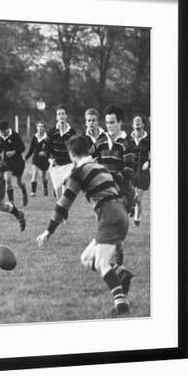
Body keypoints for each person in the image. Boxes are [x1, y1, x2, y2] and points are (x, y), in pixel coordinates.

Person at [36, 135, 134, 316]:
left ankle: (121, 304)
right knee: (87, 259)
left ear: (72, 155)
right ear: (88, 150)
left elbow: (63, 204)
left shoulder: (79, 171)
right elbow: (118, 192)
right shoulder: (99, 167)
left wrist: (48, 231)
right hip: (120, 212)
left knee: (103, 263)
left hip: (109, 215)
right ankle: (120, 273)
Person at [92, 105, 135, 268]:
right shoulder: (100, 141)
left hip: (122, 192)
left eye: (113, 122)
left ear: (120, 123)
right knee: (103, 225)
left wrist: (110, 178)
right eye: (108, 122)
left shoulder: (126, 144)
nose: (109, 126)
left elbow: (129, 170)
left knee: (114, 225)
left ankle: (117, 261)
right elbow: (91, 158)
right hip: (103, 193)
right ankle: (114, 251)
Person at [47, 104, 76, 199]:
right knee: (58, 194)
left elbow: (74, 148)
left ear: (66, 116)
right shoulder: (51, 132)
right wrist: (50, 160)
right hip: (56, 165)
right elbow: (46, 148)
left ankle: (63, 210)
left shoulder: (72, 132)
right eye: (59, 114)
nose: (61, 116)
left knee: (66, 182)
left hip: (68, 164)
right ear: (56, 117)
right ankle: (60, 207)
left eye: (63, 113)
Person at [0, 120, 28, 207]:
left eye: (4, 131)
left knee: (19, 182)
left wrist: (13, 152)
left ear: (8, 129)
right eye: (1, 132)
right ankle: (11, 202)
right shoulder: (0, 136)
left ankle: (24, 193)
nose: (3, 133)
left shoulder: (15, 135)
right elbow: (2, 145)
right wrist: (0, 151)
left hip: (18, 162)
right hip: (8, 162)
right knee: (8, 179)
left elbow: (23, 148)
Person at [130, 113, 150, 226]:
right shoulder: (129, 139)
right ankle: (135, 217)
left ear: (143, 124)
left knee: (139, 197)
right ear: (133, 125)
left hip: (143, 172)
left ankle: (137, 219)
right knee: (133, 195)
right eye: (135, 121)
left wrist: (149, 162)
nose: (137, 122)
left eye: (139, 120)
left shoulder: (149, 139)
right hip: (132, 171)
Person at [24, 121, 50, 197]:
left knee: (43, 177)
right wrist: (25, 157)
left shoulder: (47, 138)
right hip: (36, 158)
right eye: (39, 126)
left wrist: (45, 152)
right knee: (35, 172)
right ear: (37, 128)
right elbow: (31, 149)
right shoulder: (34, 137)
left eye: (42, 126)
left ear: (44, 128)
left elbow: (50, 149)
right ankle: (33, 192)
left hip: (44, 159)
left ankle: (45, 187)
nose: (40, 128)